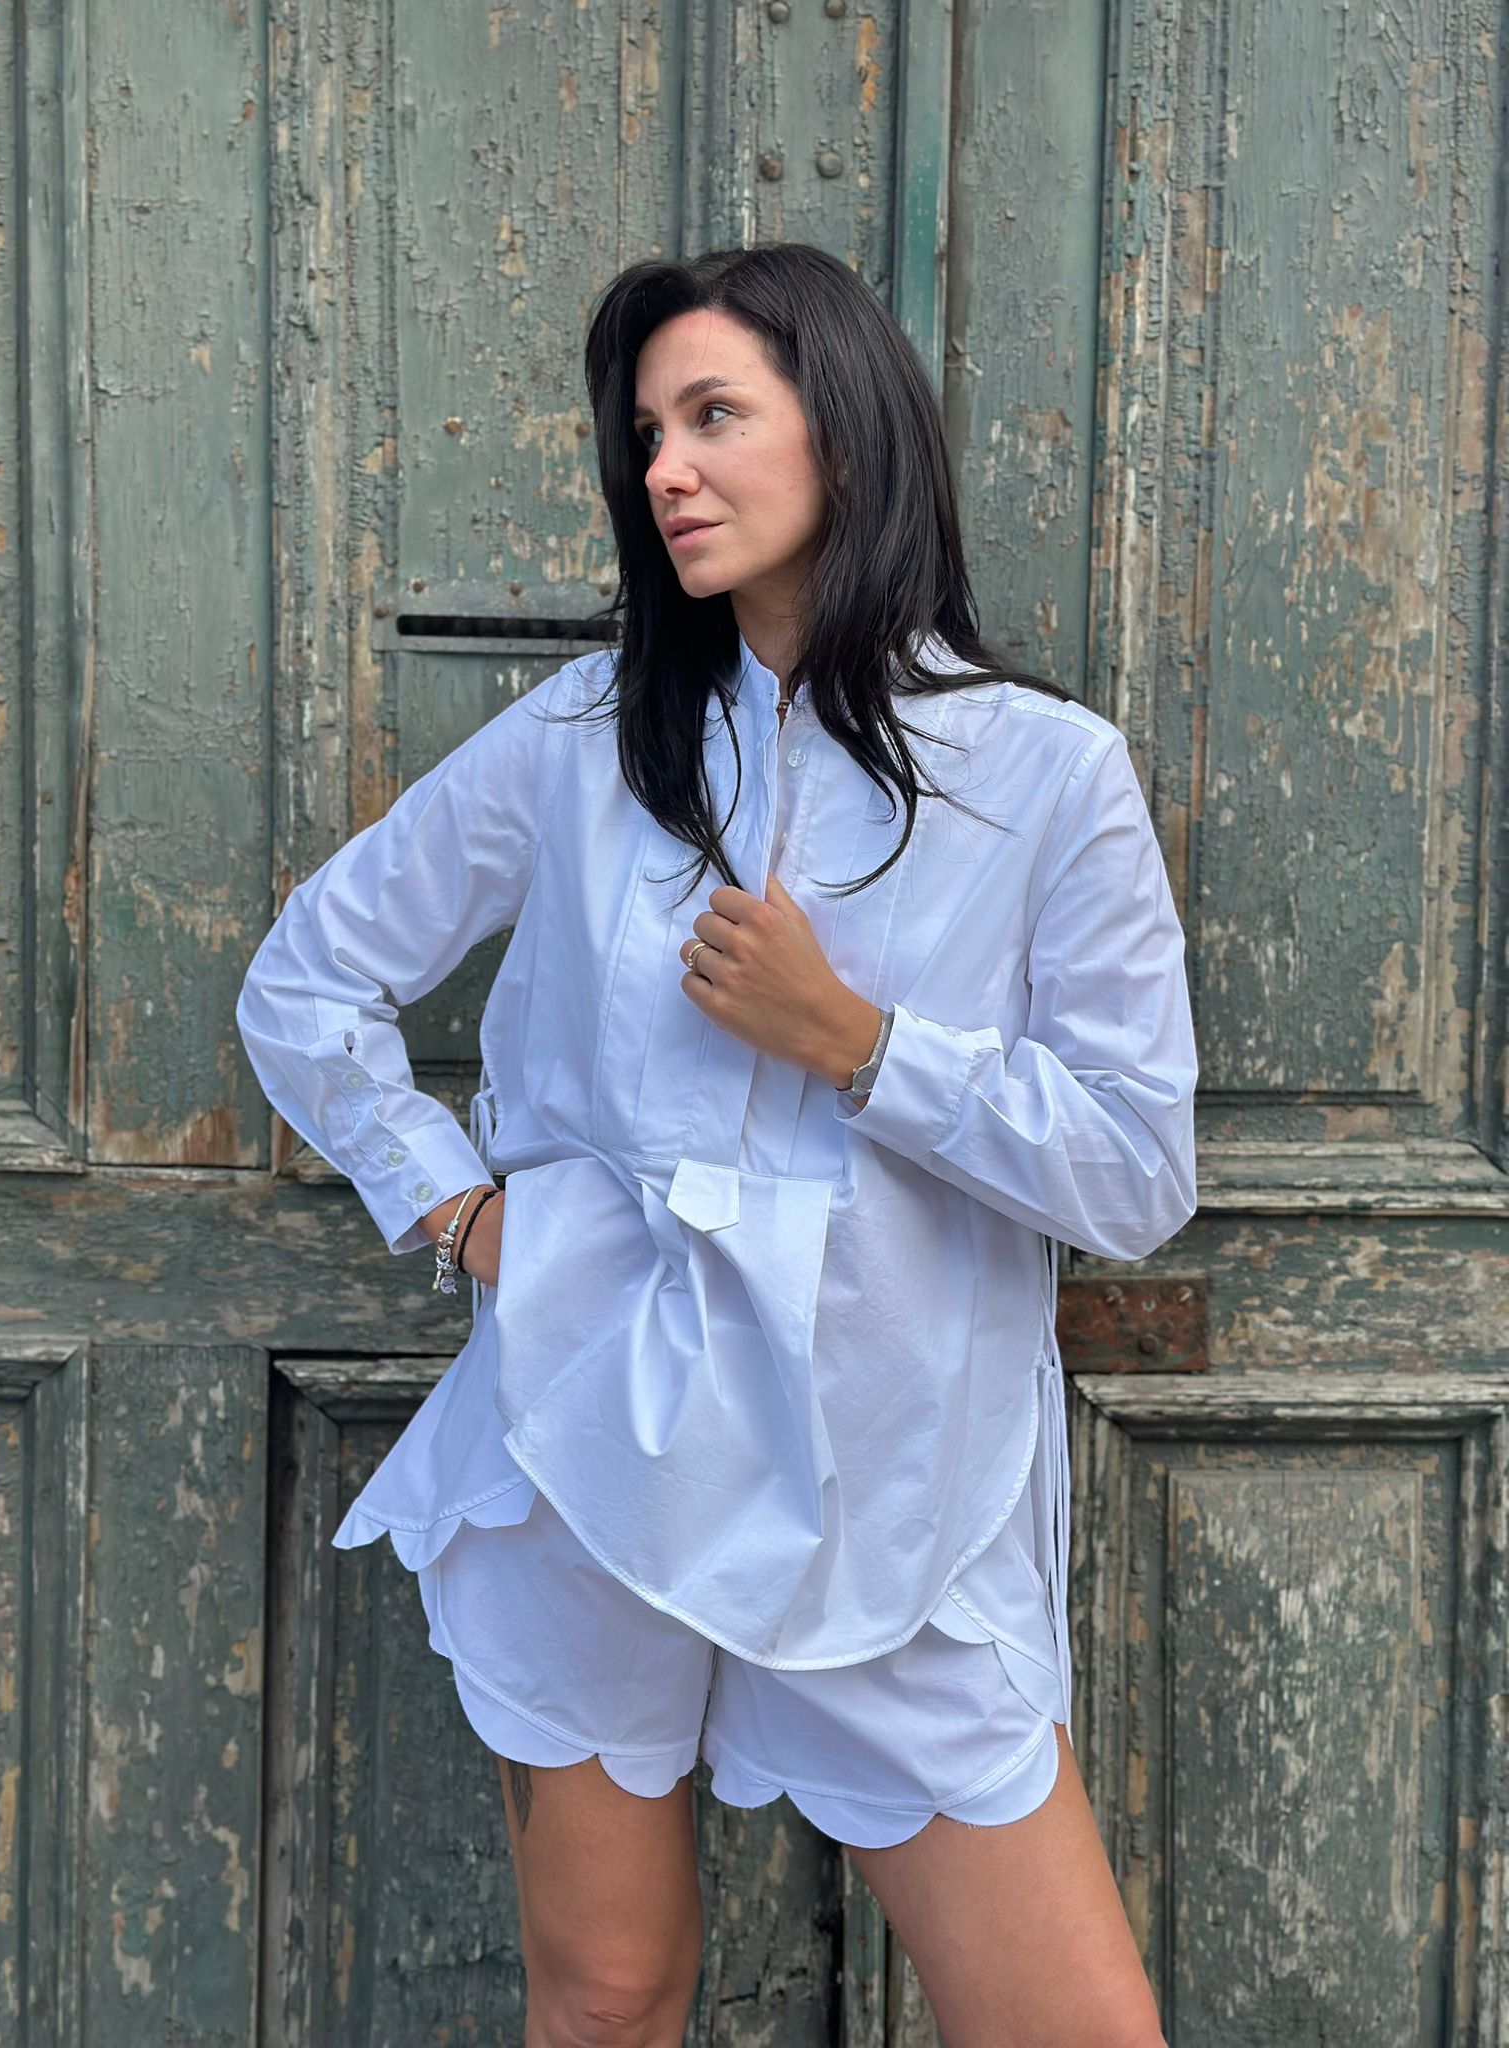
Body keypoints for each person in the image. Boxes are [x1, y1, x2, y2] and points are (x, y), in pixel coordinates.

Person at [236, 241, 1194, 2048]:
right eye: (646, 435)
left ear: (845, 430)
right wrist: (459, 1212)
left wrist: (860, 1046)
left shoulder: (1047, 774)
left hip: (894, 1483)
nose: (664, 468)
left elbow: (1138, 1169)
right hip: (592, 1444)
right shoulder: (585, 738)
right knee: (606, 1998)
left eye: (712, 417)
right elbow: (307, 981)